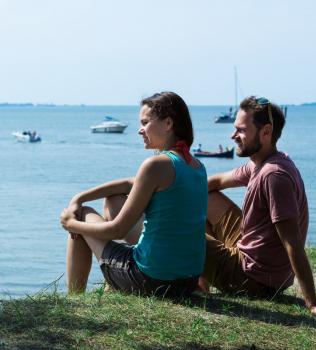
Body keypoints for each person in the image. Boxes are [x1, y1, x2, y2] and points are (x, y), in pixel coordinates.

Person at [201, 96, 316, 318]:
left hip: (254, 279)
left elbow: (292, 242)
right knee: (204, 196)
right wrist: (168, 186)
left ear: (266, 132)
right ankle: (202, 280)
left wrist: (312, 302)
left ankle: (195, 283)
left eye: (241, 130)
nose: (233, 136)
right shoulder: (261, 163)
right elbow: (217, 182)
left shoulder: (274, 175)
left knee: (175, 227)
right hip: (249, 257)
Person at [60, 91, 208, 297]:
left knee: (82, 214)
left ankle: (73, 298)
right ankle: (110, 287)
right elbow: (130, 184)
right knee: (113, 199)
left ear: (168, 124)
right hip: (186, 282)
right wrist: (80, 196)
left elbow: (117, 230)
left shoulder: (156, 164)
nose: (140, 130)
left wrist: (71, 223)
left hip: (151, 281)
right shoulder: (196, 165)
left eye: (145, 122)